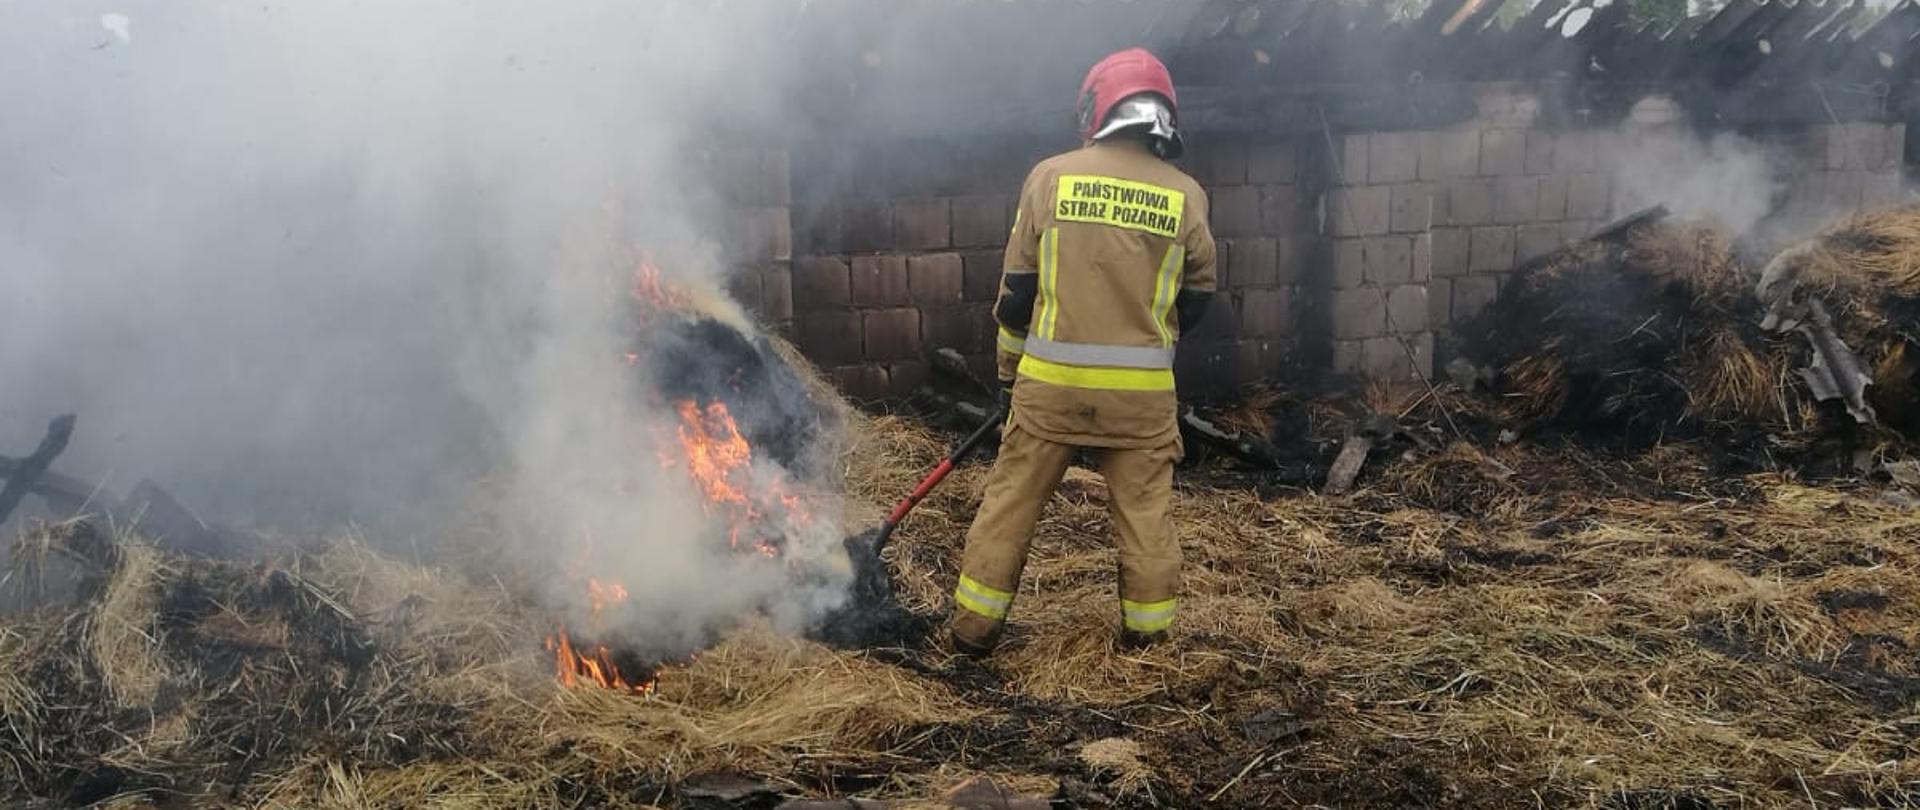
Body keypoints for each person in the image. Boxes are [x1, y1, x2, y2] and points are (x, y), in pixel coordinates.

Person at [950, 47, 1218, 656]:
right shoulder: (1185, 195)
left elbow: (1016, 296)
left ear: (1097, 108)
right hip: (1141, 400)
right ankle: (1147, 644)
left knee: (1010, 504)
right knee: (1146, 516)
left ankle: (971, 633)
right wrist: (1150, 332)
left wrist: (1007, 377)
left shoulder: (1050, 178)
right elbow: (1199, 297)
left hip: (1050, 390)